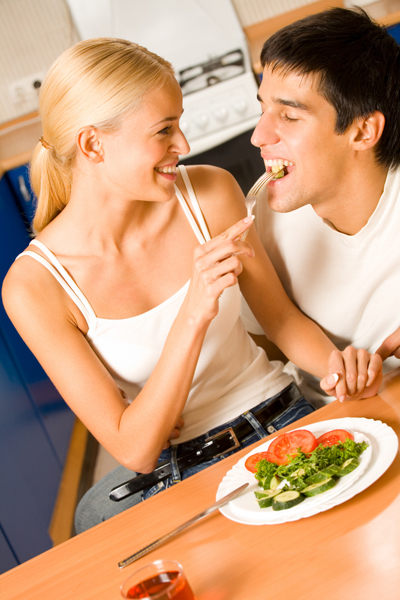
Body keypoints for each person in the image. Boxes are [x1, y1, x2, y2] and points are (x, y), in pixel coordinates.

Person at [1, 37, 381, 533]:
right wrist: (194, 312)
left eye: (179, 124)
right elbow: (135, 449)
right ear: (93, 145)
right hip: (183, 472)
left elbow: (282, 321)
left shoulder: (208, 192)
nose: (183, 146)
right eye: (164, 130)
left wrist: (340, 369)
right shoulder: (34, 287)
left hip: (286, 421)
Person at [241, 6, 400, 407]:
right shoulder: (261, 218)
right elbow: (269, 343)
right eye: (263, 109)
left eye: (289, 116)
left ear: (362, 131)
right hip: (328, 420)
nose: (259, 136)